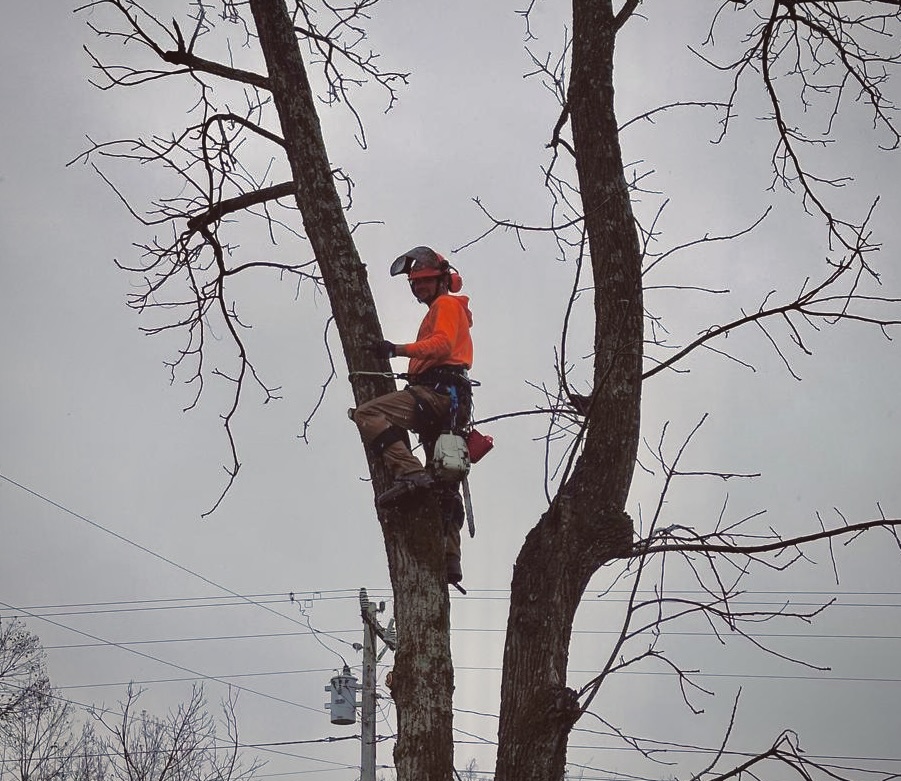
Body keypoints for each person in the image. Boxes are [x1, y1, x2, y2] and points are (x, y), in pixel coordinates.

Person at [352, 246, 473, 584]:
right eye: (414, 283)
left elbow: (442, 346)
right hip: (449, 401)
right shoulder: (445, 309)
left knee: (367, 414)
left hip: (437, 394)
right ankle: (450, 557)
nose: (418, 288)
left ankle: (410, 473)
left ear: (441, 280)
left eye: (423, 281)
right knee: (445, 480)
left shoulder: (445, 305)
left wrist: (396, 350)